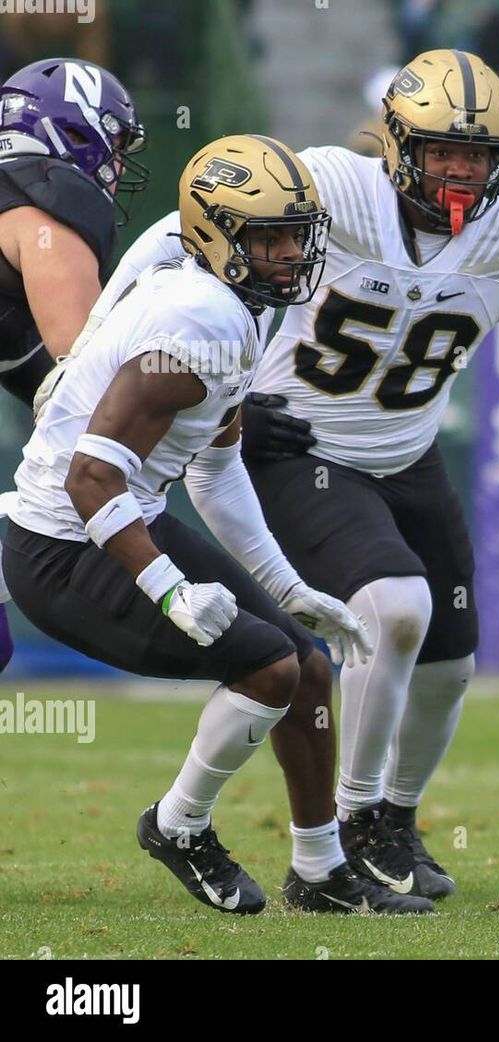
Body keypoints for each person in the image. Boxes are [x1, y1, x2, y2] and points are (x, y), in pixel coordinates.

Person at [80, 50, 499, 899]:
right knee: (396, 610)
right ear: (400, 141)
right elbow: (181, 231)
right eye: (444, 149)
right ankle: (352, 823)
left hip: (407, 451)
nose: (461, 169)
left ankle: (396, 821)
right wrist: (94, 344)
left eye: (479, 153)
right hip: (295, 445)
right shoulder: (335, 185)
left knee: (450, 665)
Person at [3, 134, 433, 916]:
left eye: (294, 235)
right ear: (214, 234)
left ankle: (321, 869)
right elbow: (90, 476)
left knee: (304, 667)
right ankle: (179, 824)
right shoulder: (199, 321)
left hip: (118, 515)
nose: (286, 255)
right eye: (266, 238)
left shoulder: (228, 297)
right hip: (63, 544)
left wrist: (288, 586)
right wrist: (169, 591)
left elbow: (215, 461)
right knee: (267, 671)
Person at [0, 57, 145, 674]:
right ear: (73, 136)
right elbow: (87, 382)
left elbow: (38, 372)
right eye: (110, 145)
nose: (115, 166)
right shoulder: (47, 216)